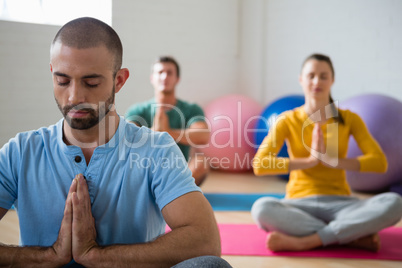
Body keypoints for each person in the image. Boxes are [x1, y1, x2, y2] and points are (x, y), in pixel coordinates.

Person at [0, 17, 232, 268]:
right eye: (63, 80)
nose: (75, 96)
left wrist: (96, 256)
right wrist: (49, 256)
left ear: (119, 80)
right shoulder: (20, 151)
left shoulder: (156, 149)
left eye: (91, 82)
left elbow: (206, 241)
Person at [251, 53, 402, 252]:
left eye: (323, 76)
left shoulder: (348, 119)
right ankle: (349, 237)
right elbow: (260, 165)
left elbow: (379, 162)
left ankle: (307, 241)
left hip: (341, 204)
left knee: (394, 202)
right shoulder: (287, 120)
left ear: (332, 80)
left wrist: (336, 162)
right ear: (301, 79)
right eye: (311, 75)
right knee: (262, 208)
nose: (317, 81)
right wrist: (310, 161)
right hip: (298, 204)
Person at [125, 56, 210, 186]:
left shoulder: (191, 109)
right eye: (160, 72)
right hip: (146, 170)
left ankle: (171, 191)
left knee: (201, 163)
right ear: (152, 78)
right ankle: (168, 192)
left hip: (179, 172)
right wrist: (155, 133)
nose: (164, 77)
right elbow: (127, 139)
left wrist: (167, 132)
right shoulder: (138, 110)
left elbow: (203, 135)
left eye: (169, 73)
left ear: (177, 79)